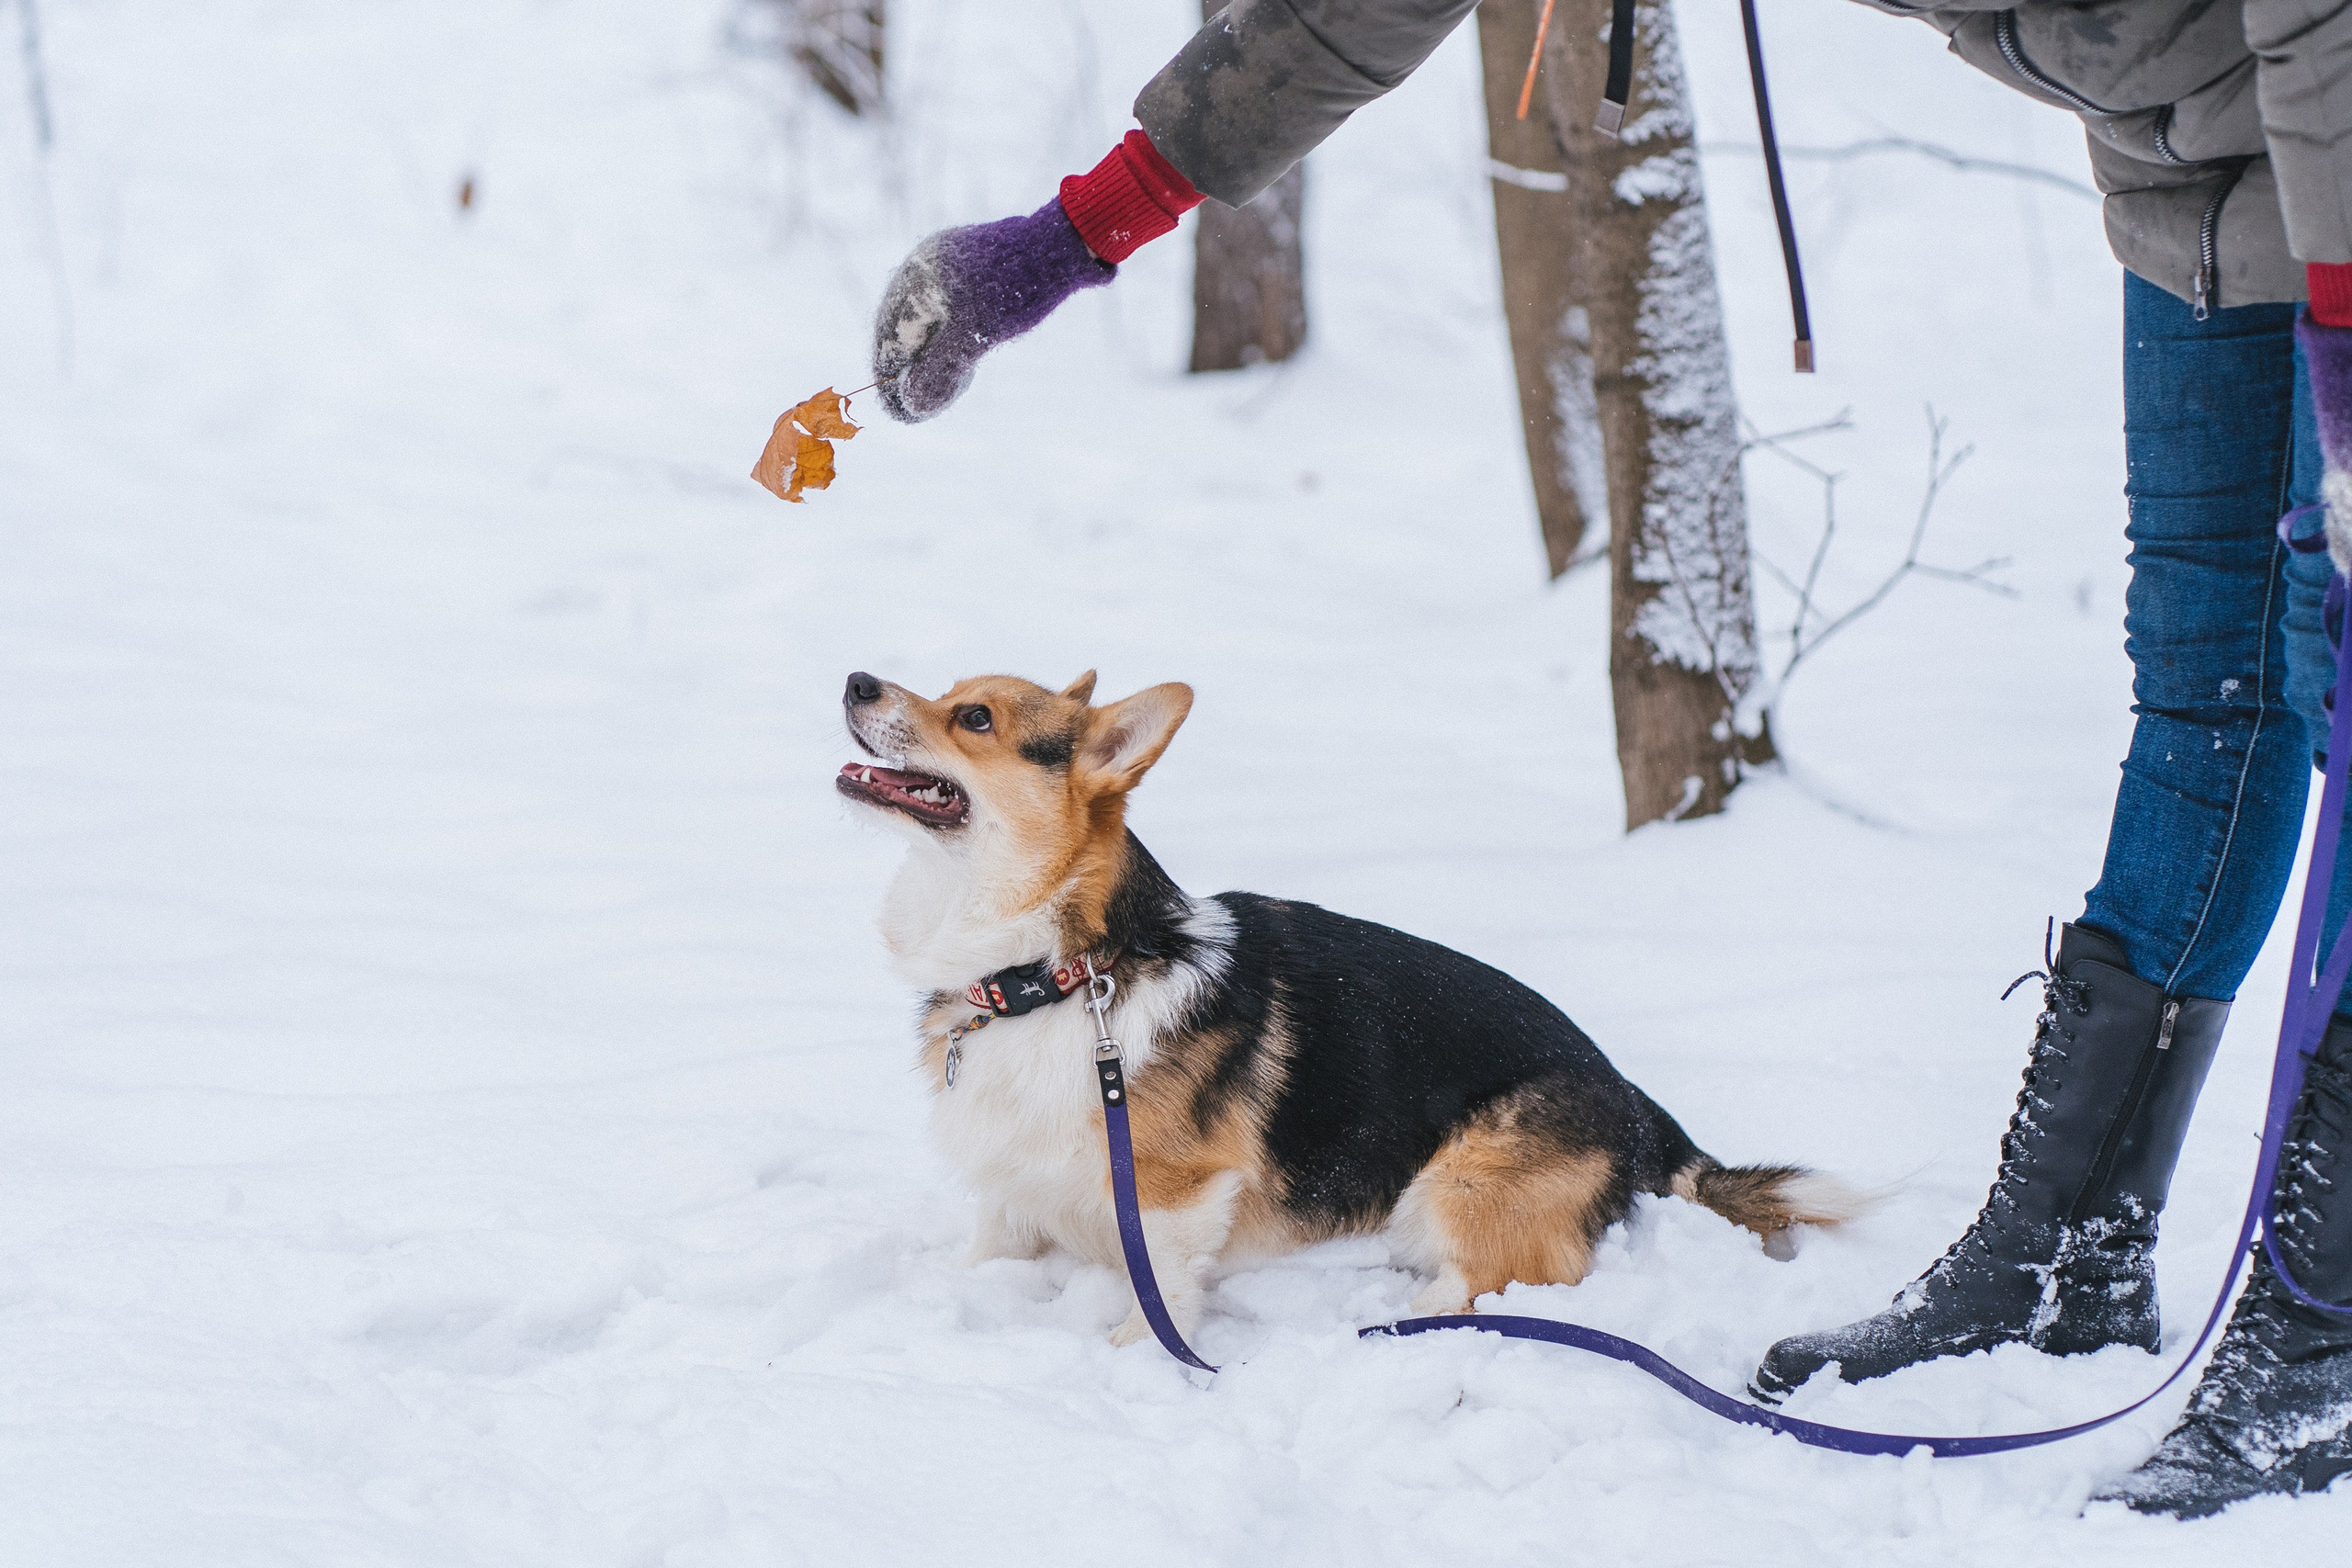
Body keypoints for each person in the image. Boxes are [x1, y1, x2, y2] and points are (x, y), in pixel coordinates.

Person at [862, 0, 2352, 1517]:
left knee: (2341, 665)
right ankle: (2069, 1261)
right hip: (2199, 190)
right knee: (2214, 699)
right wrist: (1077, 232)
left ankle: (2332, 1318)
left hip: (2336, 137)